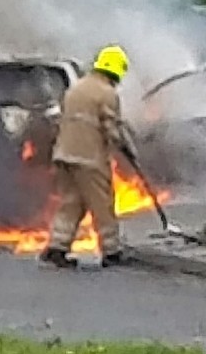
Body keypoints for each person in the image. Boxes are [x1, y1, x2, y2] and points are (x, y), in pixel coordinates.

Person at [39, 45, 138, 269]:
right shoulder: (107, 93)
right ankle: (111, 251)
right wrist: (128, 149)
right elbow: (112, 129)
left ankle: (57, 247)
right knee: (102, 204)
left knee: (70, 203)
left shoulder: (75, 89)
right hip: (89, 158)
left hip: (64, 155)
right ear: (116, 70)